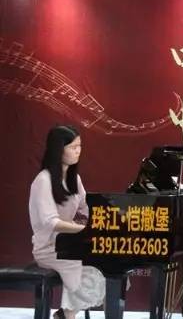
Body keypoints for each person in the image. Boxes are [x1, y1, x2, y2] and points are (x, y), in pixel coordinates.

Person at [28, 125, 105, 319]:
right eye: (73, 147)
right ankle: (67, 315)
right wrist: (84, 230)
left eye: (80, 146)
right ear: (58, 150)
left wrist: (112, 217)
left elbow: (88, 208)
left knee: (109, 265)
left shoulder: (74, 179)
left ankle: (66, 314)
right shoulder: (43, 180)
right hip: (49, 249)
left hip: (69, 245)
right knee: (86, 269)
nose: (78, 151)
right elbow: (51, 222)